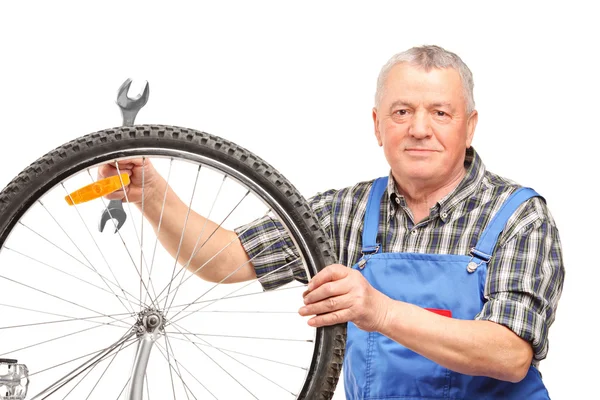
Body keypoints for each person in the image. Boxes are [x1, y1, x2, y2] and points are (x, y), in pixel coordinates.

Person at [100, 45, 565, 399]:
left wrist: (379, 311)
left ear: (470, 125)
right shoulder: (345, 211)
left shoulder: (518, 216)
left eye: (440, 113)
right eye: (402, 112)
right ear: (378, 125)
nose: (420, 129)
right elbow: (221, 259)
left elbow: (509, 354)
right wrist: (151, 195)